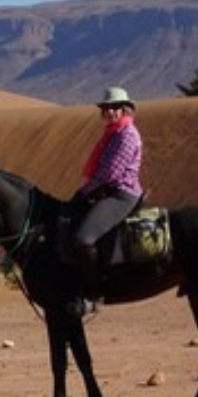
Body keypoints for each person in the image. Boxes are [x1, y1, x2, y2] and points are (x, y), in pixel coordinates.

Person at [67, 86, 143, 318]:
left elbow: (109, 173)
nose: (109, 112)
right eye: (105, 108)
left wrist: (83, 193)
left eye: (114, 108)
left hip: (121, 195)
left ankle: (92, 295)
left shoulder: (127, 135)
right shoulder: (113, 133)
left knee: (82, 239)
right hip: (106, 192)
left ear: (124, 109)